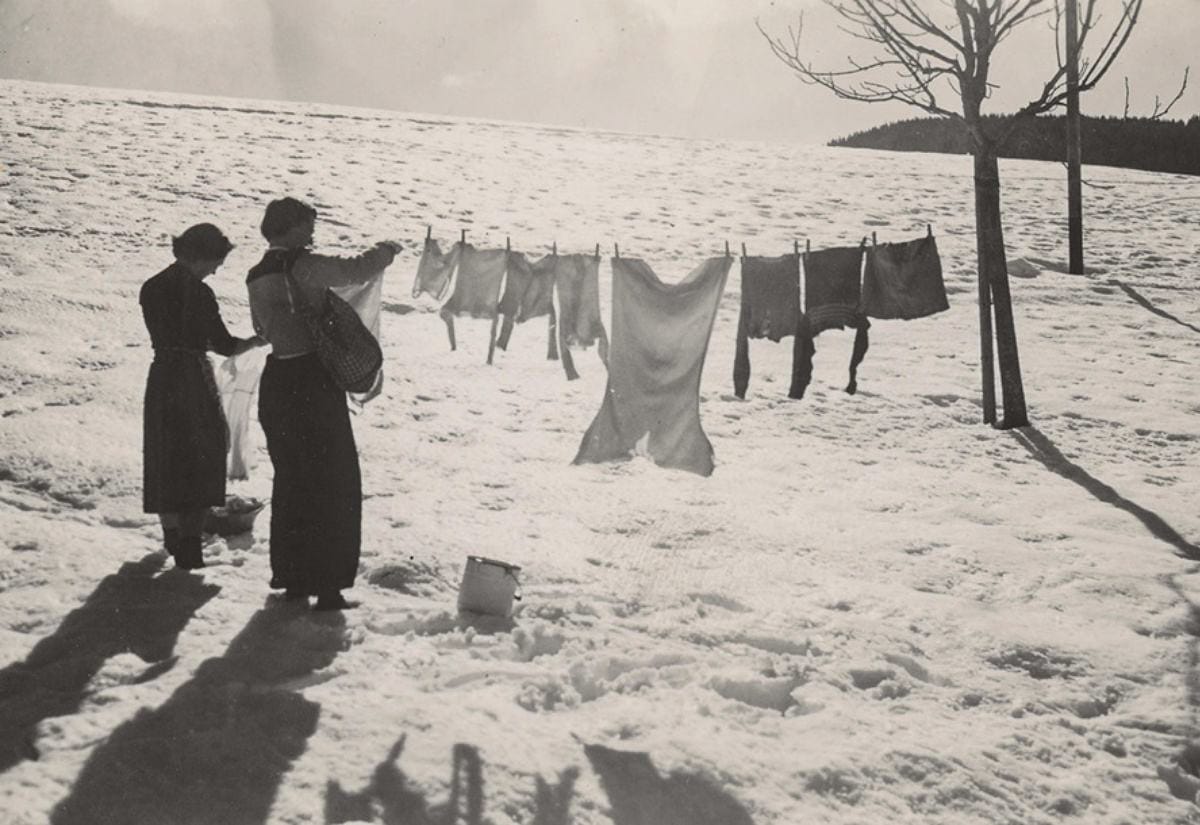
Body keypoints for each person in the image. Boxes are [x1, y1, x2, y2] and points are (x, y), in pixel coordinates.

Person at [247, 197, 399, 611]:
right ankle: (329, 587)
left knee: (292, 481)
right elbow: (356, 270)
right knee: (333, 483)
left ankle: (294, 579)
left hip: (277, 380)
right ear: (291, 227)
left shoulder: (256, 273)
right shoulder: (304, 264)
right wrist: (385, 251)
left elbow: (260, 329)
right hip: (312, 382)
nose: (312, 234)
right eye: (308, 226)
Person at [141, 223, 264, 569]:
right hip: (192, 377)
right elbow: (223, 345)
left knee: (166, 455)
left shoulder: (151, 287)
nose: (216, 269)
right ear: (202, 256)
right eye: (215, 262)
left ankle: (172, 537)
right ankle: (191, 548)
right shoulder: (199, 293)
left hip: (162, 374)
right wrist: (254, 342)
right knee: (202, 456)